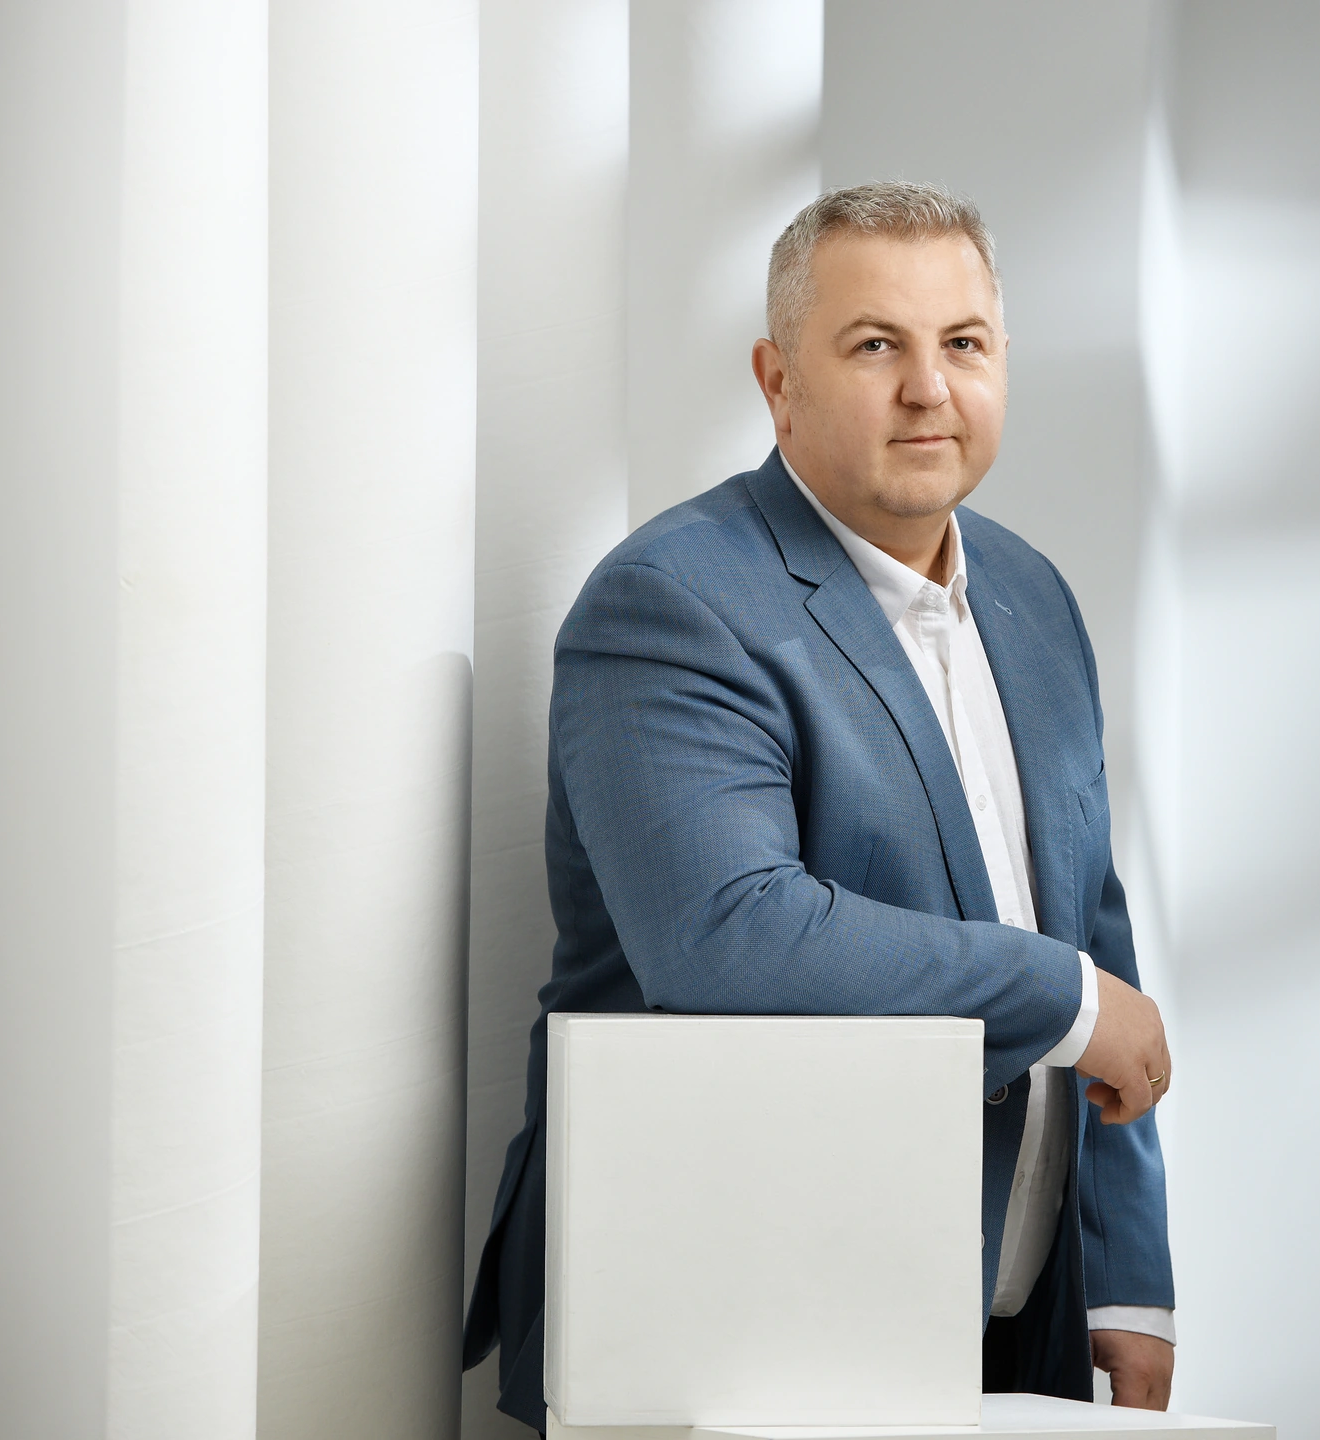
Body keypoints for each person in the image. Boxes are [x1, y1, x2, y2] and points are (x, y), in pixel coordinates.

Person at [462, 181, 1176, 1432]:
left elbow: (1091, 922)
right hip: (726, 1329)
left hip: (1011, 1330)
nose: (928, 389)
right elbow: (727, 933)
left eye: (963, 343)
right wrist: (1056, 994)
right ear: (777, 380)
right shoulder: (673, 601)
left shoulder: (1032, 596)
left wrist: (1125, 1277)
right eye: (875, 345)